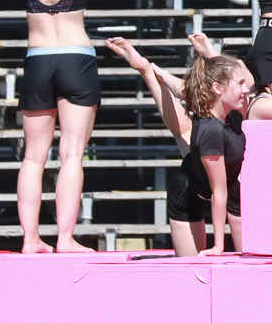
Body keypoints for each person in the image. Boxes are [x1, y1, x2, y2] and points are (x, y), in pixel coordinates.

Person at [10, 0, 102, 253]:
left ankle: (31, 239)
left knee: (33, 157)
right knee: (71, 155)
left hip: (38, 58)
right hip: (75, 59)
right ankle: (64, 238)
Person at [107, 35, 252, 256]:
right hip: (189, 192)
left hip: (214, 175)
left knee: (185, 131)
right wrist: (218, 246)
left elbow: (184, 88)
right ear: (217, 88)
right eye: (240, 84)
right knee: (192, 265)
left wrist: (159, 72)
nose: (247, 89)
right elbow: (218, 191)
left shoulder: (227, 106)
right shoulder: (211, 129)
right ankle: (147, 72)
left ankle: (147, 72)